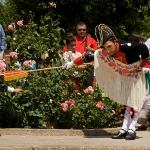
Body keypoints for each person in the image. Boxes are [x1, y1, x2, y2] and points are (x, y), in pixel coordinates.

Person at [65, 23, 150, 140]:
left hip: (139, 73)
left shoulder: (127, 46)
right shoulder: (104, 52)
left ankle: (132, 128)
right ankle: (124, 128)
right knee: (126, 102)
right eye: (105, 48)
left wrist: (146, 64)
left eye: (109, 47)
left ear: (114, 42)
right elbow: (89, 56)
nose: (107, 50)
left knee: (135, 100)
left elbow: (144, 49)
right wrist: (73, 63)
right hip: (126, 76)